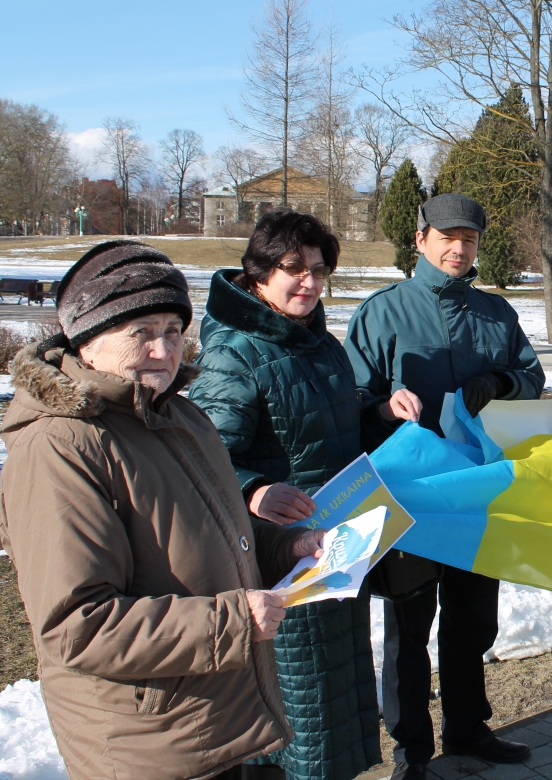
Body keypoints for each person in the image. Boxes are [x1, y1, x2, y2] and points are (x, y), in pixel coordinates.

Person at [0, 241, 324, 780]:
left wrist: (286, 546)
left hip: (208, 717)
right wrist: (234, 619)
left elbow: (216, 532)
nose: (163, 351)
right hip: (145, 742)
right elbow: (77, 626)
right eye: (141, 333)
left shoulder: (179, 416)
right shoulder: (60, 447)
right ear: (87, 340)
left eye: (173, 331)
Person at [344, 194, 545, 780]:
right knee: (411, 629)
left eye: (471, 240)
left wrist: (502, 379)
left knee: (473, 619)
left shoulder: (495, 313)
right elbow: (349, 402)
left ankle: (466, 727)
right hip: (411, 499)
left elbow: (531, 377)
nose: (460, 249)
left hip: (478, 494)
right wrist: (382, 406)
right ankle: (411, 749)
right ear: (421, 239)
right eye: (448, 238)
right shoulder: (382, 313)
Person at [189, 210, 380, 780]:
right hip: (275, 562)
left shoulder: (318, 342)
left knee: (332, 702)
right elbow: (199, 455)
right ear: (257, 274)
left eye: (319, 271)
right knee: (290, 715)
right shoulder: (235, 352)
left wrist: (378, 413)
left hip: (332, 547)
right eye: (292, 269)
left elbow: (328, 426)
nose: (309, 282)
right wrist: (254, 489)